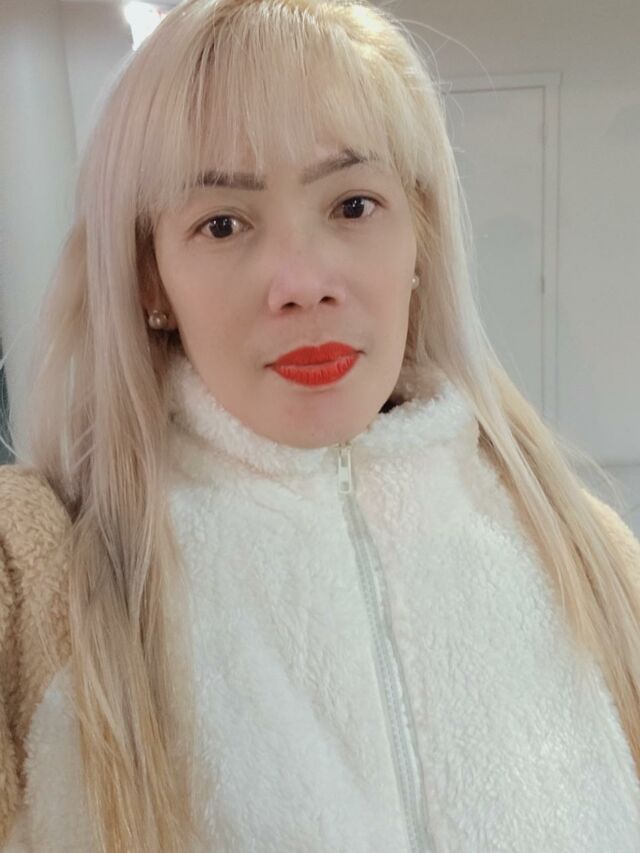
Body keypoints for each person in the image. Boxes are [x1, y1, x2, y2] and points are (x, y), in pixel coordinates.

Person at [1, 0, 639, 850]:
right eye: (222, 223)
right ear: (150, 279)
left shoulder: (594, 559)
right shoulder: (32, 578)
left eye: (353, 205)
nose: (303, 282)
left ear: (420, 237)